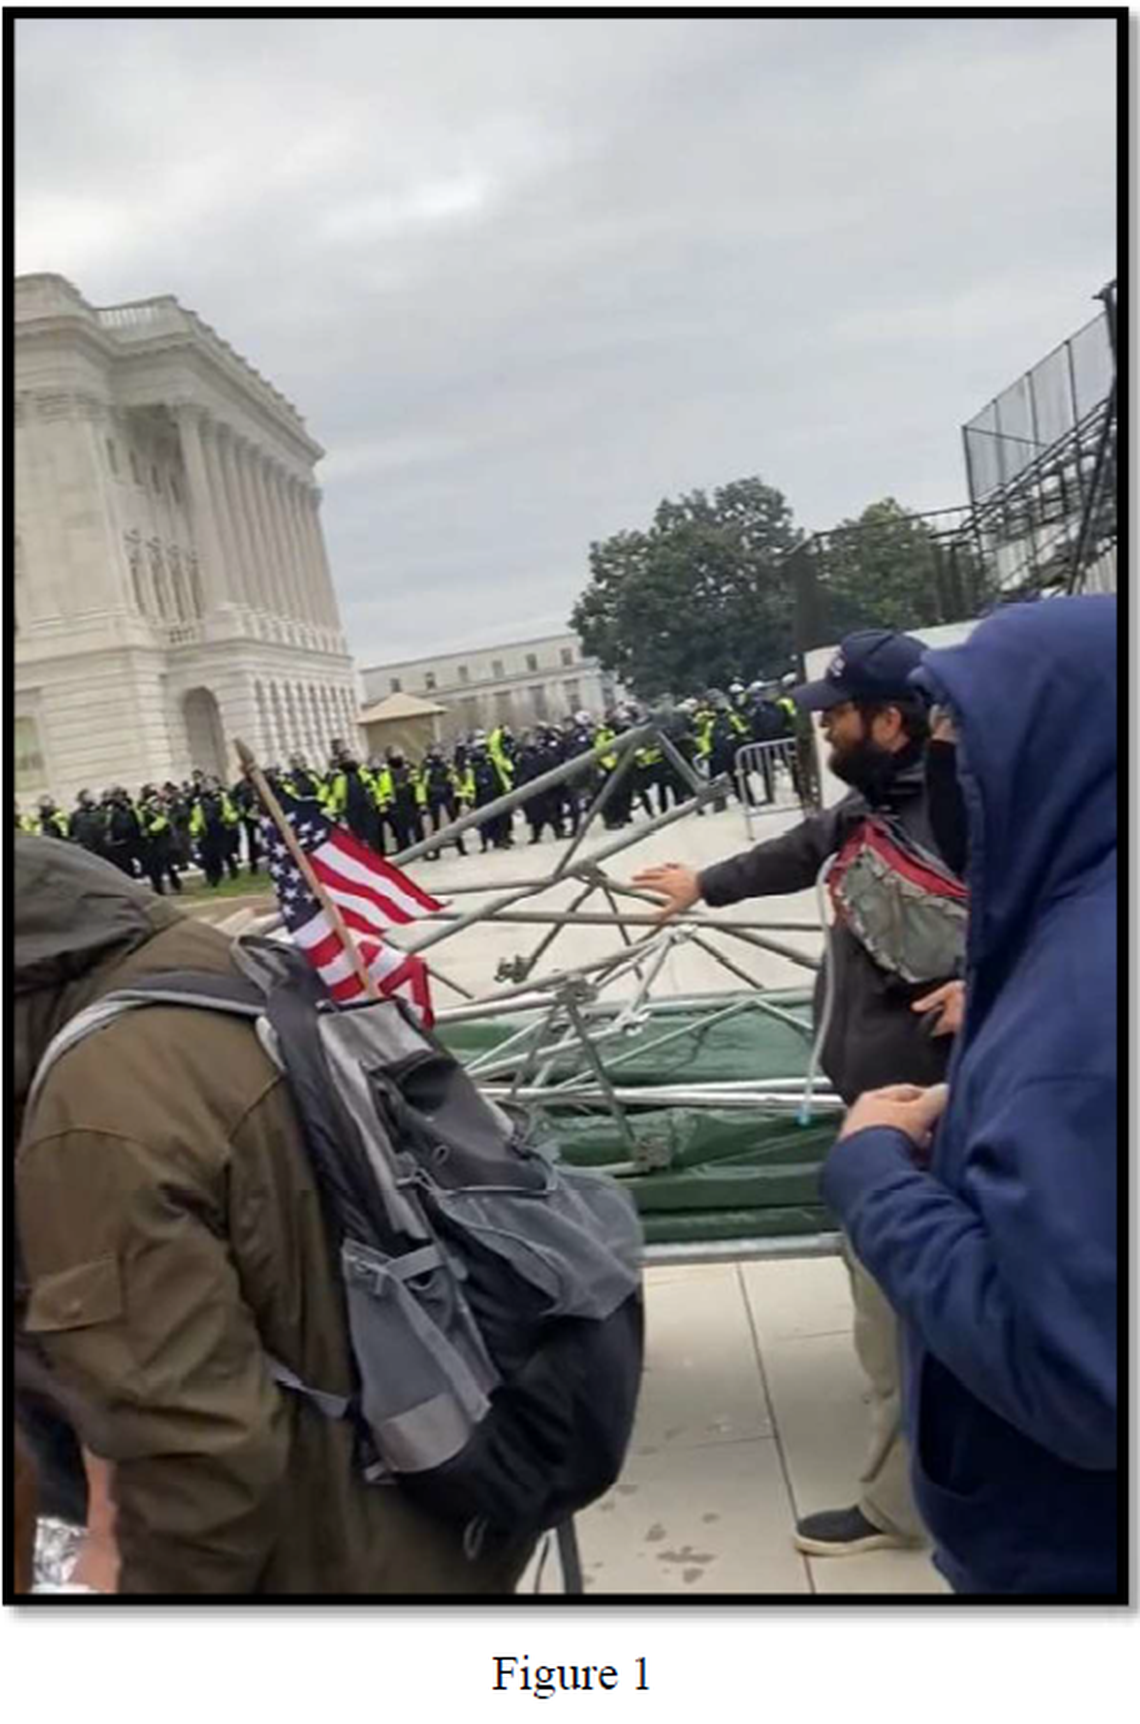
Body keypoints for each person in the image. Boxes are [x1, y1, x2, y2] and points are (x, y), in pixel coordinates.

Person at [13, 837, 533, 1595]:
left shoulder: (94, 1117)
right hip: (443, 1500)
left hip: (329, 1559)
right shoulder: (219, 973)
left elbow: (194, 1459)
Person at [633, 628, 966, 1558]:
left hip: (933, 1112)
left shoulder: (963, 814)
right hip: (884, 1106)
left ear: (889, 721)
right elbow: (802, 847)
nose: (824, 730)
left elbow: (1057, 917)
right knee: (894, 1312)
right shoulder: (878, 806)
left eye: (839, 715)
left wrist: (986, 984)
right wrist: (706, 882)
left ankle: (902, 1509)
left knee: (899, 1320)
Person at [822, 596, 1117, 1595]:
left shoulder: (1084, 999)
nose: (945, 754)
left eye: (963, 729)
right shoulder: (1077, 934)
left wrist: (875, 1179)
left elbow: (1081, 1379)